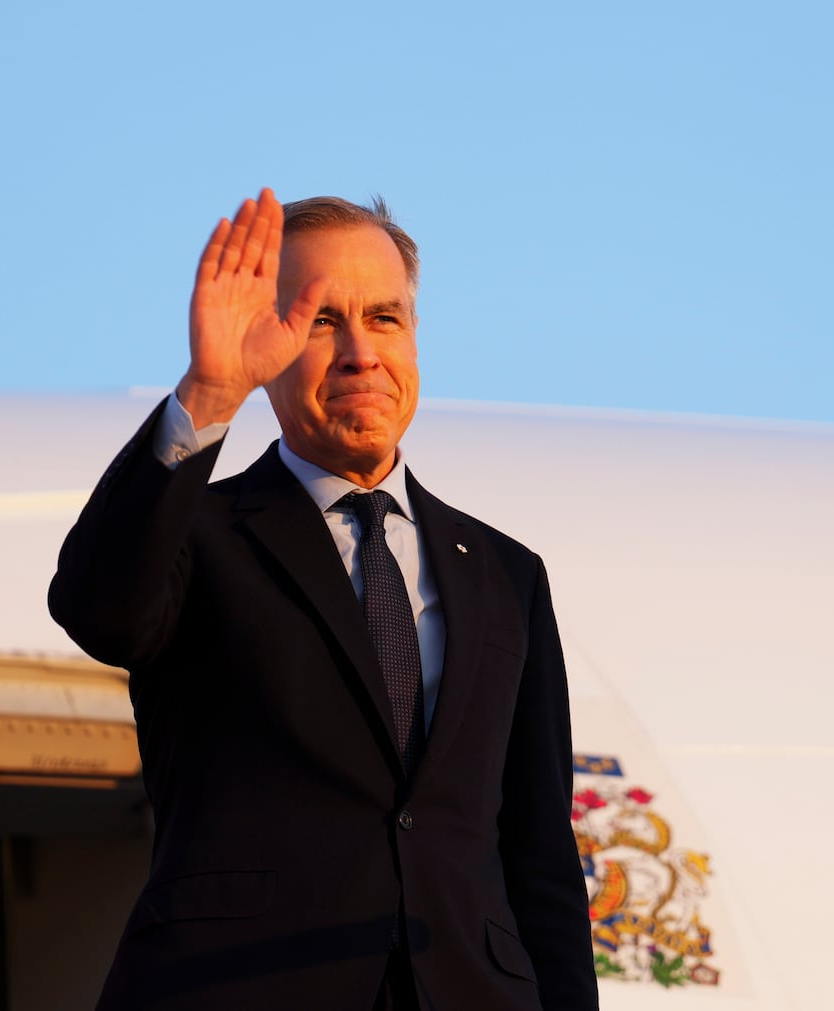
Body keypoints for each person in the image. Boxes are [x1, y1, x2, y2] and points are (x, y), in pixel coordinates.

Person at [48, 190, 596, 1009]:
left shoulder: (505, 573)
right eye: (320, 322)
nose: (360, 353)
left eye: (385, 318)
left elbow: (541, 858)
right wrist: (209, 391)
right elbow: (98, 607)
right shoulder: (198, 535)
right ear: (264, 347)